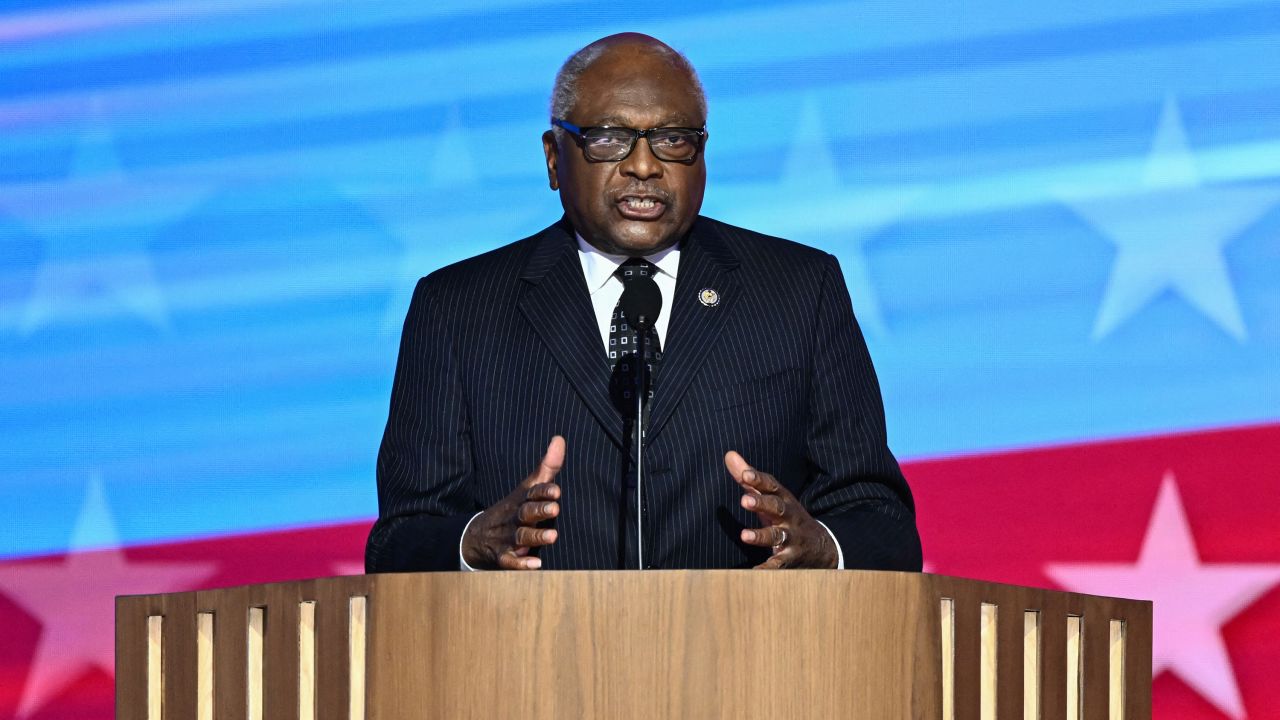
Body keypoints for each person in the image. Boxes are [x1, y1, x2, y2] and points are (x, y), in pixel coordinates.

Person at [365, 33, 922, 572]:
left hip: (751, 655)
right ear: (555, 158)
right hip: (529, 656)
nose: (644, 166)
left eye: (673, 139)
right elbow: (399, 542)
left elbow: (882, 524)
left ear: (703, 153)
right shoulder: (458, 308)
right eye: (608, 138)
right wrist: (474, 542)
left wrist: (821, 545)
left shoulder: (799, 291)